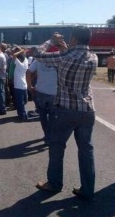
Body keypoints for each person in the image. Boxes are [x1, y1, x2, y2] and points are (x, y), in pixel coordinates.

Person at [34, 26, 98, 201]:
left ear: (75, 39)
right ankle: (88, 189)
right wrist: (65, 48)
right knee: (86, 150)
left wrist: (51, 41)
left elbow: (37, 54)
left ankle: (54, 183)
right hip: (87, 110)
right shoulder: (93, 57)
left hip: (65, 109)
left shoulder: (65, 56)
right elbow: (74, 58)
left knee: (57, 147)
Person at [12, 47, 28, 121]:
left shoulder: (19, 63)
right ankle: (23, 114)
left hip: (18, 84)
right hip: (24, 84)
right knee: (23, 101)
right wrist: (22, 52)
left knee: (20, 102)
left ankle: (22, 116)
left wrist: (21, 50)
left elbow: (14, 55)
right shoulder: (26, 61)